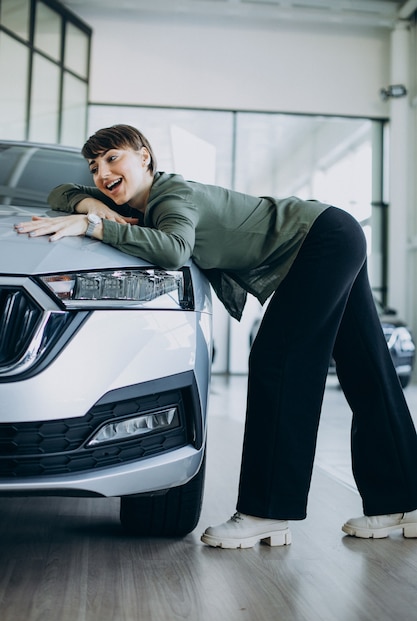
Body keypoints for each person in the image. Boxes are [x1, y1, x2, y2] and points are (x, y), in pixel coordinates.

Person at [14, 124, 417, 549]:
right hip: (332, 232)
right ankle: (404, 501)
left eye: (113, 158)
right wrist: (87, 201)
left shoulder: (171, 196)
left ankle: (266, 512)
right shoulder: (140, 205)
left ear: (145, 157)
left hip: (321, 240)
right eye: (94, 167)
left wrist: (93, 225)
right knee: (366, 367)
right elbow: (59, 191)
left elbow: (172, 249)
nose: (102, 172)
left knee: (279, 365)